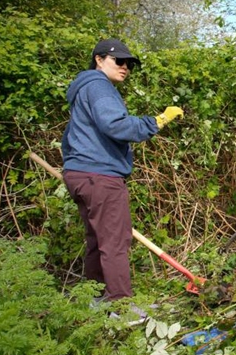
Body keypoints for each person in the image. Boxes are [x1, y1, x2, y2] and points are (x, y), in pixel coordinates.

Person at [61, 38, 183, 301]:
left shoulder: (83, 89)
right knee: (115, 242)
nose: (125, 67)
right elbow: (115, 125)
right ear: (99, 59)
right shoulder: (99, 87)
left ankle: (95, 297)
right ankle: (120, 305)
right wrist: (157, 121)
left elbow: (69, 135)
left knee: (97, 239)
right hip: (100, 176)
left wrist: (73, 166)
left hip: (81, 175)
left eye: (129, 63)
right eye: (119, 60)